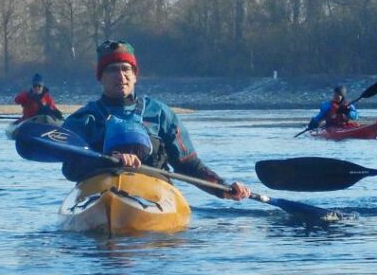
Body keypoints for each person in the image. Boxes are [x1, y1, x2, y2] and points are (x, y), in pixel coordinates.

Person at [59, 40, 249, 200]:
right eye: (112, 70)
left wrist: (223, 188)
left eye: (126, 69)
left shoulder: (160, 113)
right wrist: (108, 161)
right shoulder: (83, 118)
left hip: (154, 192)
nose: (121, 76)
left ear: (135, 76)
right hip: (99, 191)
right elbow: (70, 168)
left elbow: (187, 165)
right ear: (100, 76)